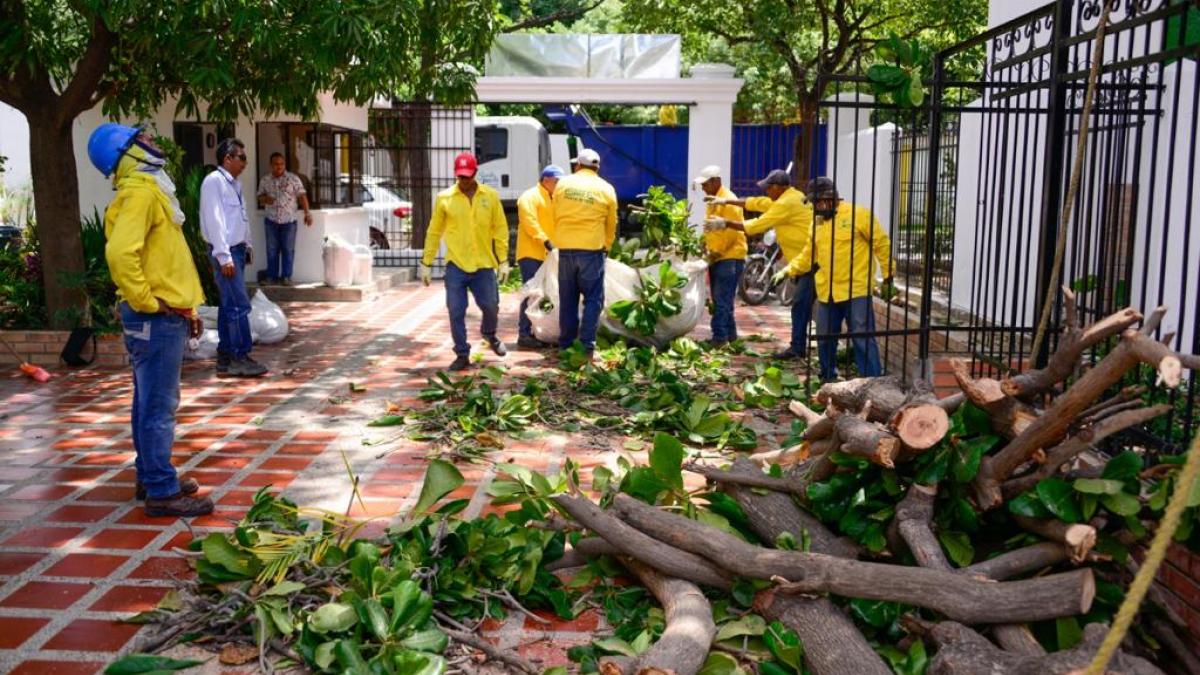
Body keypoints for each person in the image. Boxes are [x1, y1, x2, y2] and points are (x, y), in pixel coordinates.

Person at [86, 123, 214, 517]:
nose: (152, 143)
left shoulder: (147, 191)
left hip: (160, 317)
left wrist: (180, 305)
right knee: (159, 406)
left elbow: (157, 259)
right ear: (128, 153)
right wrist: (149, 301)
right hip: (155, 319)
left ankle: (151, 476)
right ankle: (161, 490)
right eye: (143, 139)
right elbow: (121, 255)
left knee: (147, 402)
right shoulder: (141, 193)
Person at [777, 177, 894, 381]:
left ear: (830, 198)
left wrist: (888, 276)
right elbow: (808, 255)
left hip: (855, 289)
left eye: (818, 202)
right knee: (824, 338)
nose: (816, 207)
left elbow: (881, 244)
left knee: (861, 337)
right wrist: (787, 270)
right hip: (827, 291)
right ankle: (828, 378)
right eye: (813, 204)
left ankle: (873, 382)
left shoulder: (859, 215)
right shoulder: (817, 223)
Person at [704, 169, 816, 360]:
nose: (766, 192)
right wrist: (725, 201)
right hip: (803, 261)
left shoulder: (786, 203)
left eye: (769, 188)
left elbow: (757, 225)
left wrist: (725, 223)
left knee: (801, 306)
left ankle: (798, 348)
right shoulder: (790, 196)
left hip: (810, 261)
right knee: (803, 306)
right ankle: (799, 346)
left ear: (780, 188)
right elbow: (756, 202)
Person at [420, 152, 510, 371]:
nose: (464, 181)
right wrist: (426, 262)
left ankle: (490, 334)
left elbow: (500, 228)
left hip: (483, 265)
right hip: (457, 265)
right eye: (460, 177)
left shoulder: (490, 196)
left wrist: (504, 259)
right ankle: (462, 353)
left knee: (491, 306)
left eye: (468, 176)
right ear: (455, 175)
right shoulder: (445, 198)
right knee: (456, 310)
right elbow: (434, 231)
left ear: (475, 173)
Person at [200, 138, 269, 378]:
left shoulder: (234, 185)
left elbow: (240, 218)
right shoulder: (214, 182)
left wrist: (247, 245)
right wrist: (223, 256)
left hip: (236, 251)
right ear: (227, 158)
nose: (245, 163)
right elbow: (215, 221)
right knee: (239, 305)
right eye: (241, 157)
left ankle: (226, 356)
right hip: (226, 252)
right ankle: (239, 357)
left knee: (230, 305)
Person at [552, 149, 618, 357]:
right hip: (592, 250)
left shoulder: (563, 184)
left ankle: (566, 345)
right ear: (597, 168)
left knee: (568, 298)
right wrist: (607, 246)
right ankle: (587, 345)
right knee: (593, 299)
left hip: (566, 249)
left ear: (578, 165)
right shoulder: (606, 188)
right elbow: (611, 223)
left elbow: (555, 213)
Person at [694, 165, 746, 346]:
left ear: (716, 181)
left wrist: (715, 253)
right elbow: (711, 228)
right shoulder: (714, 200)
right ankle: (730, 335)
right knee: (723, 299)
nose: (703, 188)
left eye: (705, 184)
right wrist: (704, 244)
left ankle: (719, 338)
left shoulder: (729, 200)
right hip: (720, 257)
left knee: (721, 300)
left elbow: (730, 234)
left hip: (729, 257)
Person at [515, 165, 563, 349]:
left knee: (547, 294)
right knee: (532, 293)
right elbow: (529, 222)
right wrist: (545, 240)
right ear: (546, 180)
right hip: (531, 253)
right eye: (557, 181)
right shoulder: (530, 196)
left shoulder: (554, 198)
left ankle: (540, 330)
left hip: (548, 253)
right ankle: (524, 333)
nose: (559, 185)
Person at [256, 152, 312, 286]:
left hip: (289, 221)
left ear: (284, 164)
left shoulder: (293, 179)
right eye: (275, 164)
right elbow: (259, 197)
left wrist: (307, 213)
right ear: (271, 165)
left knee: (288, 250)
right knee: (271, 250)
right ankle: (271, 277)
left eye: (281, 164)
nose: (279, 167)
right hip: (271, 221)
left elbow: (302, 196)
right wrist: (265, 199)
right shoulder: (265, 180)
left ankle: (286, 277)